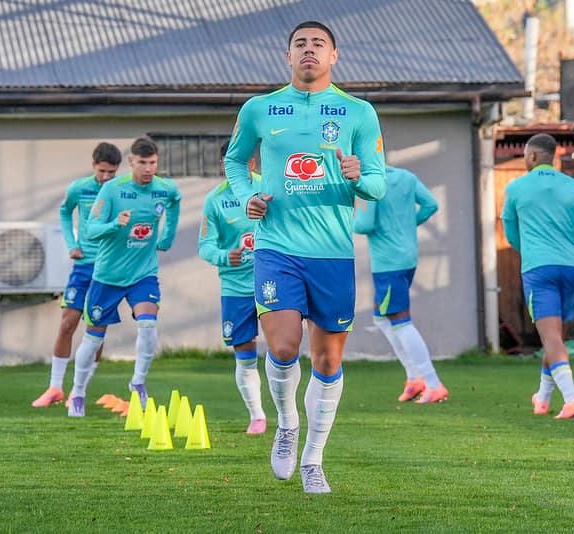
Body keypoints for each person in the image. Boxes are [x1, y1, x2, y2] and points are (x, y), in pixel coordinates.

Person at [224, 20, 387, 493]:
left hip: (333, 254)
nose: (309, 50)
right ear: (288, 56)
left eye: (319, 44)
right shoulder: (259, 109)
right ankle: (287, 424)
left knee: (328, 362)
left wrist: (358, 175)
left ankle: (313, 459)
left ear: (334, 56)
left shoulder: (358, 112)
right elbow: (236, 161)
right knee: (281, 347)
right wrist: (248, 194)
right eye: (300, 44)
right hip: (277, 247)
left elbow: (376, 185)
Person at [67, 137, 182, 417]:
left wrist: (166, 237)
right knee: (93, 339)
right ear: (131, 161)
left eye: (152, 163)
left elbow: (175, 202)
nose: (148, 169)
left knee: (147, 325)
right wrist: (114, 225)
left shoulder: (165, 189)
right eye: (142, 163)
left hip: (143, 274)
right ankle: (78, 392)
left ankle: (138, 382)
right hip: (107, 275)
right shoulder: (112, 190)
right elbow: (91, 230)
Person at [500, 133, 574, 419]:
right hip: (570, 266)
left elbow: (510, 234)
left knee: (550, 337)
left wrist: (531, 251)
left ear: (532, 157)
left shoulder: (516, 188)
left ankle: (572, 400)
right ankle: (542, 398)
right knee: (556, 338)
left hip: (538, 268)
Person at [32, 142, 121, 408]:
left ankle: (78, 390)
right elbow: (63, 212)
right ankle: (55, 387)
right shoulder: (79, 188)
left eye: (112, 173)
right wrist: (72, 243)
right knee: (67, 323)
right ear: (94, 165)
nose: (106, 177)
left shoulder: (120, 191)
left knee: (96, 328)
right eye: (103, 171)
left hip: (108, 269)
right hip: (83, 267)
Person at [353, 165, 448, 403]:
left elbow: (363, 225)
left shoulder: (370, 182)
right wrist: (406, 225)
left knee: (400, 321)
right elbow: (431, 205)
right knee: (381, 317)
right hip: (407, 257)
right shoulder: (406, 176)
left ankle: (433, 383)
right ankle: (414, 378)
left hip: (388, 262)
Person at [198, 140, 267, 435]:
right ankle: (257, 415)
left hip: (270, 281)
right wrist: (226, 256)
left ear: (252, 163)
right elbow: (205, 246)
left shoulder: (270, 188)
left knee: (282, 345)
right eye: (228, 163)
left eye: (239, 162)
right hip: (235, 286)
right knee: (244, 349)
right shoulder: (215, 200)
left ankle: (288, 413)